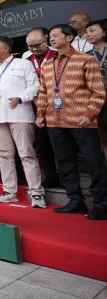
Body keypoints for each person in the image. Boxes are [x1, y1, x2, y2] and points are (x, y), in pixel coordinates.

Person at [36, 24, 107, 220]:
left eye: (55, 35)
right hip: (54, 121)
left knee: (94, 163)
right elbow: (43, 92)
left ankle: (102, 205)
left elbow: (98, 91)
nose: (51, 39)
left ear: (69, 37)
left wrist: (90, 114)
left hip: (82, 121)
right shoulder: (47, 65)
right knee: (65, 163)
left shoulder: (86, 59)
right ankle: (75, 201)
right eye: (50, 36)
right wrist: (40, 114)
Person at [0, 37, 45, 208]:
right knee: (4, 155)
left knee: (27, 154)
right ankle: (9, 191)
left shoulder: (23, 64)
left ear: (6, 48)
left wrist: (20, 98)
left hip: (20, 114)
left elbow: (35, 87)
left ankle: (36, 193)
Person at [25, 27, 60, 187]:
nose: (34, 49)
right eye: (30, 47)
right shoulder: (26, 61)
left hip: (57, 109)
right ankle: (51, 176)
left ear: (45, 40)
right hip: (35, 110)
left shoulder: (56, 55)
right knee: (41, 145)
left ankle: (66, 178)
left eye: (37, 45)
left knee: (60, 145)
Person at [86, 19, 107, 158]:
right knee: (105, 139)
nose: (88, 34)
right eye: (86, 32)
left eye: (92, 31)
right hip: (98, 102)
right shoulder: (86, 56)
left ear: (104, 32)